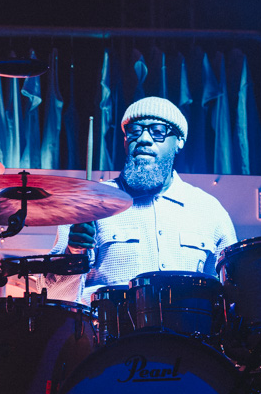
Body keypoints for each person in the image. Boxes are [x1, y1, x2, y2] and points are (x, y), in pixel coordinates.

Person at [40, 96, 237, 305]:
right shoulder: (88, 204)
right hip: (107, 335)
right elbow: (54, 299)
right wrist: (73, 253)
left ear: (179, 141)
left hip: (188, 335)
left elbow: (235, 292)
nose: (143, 138)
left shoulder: (209, 210)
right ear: (125, 141)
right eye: (134, 131)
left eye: (158, 131)